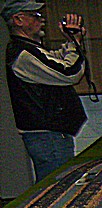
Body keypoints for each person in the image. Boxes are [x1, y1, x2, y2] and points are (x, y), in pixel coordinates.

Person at [3, 1, 86, 182]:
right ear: (18, 19)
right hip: (48, 137)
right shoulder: (23, 54)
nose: (42, 20)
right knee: (57, 188)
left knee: (55, 186)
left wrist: (72, 41)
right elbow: (69, 72)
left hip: (49, 136)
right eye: (35, 16)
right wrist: (75, 44)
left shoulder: (30, 50)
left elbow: (57, 60)